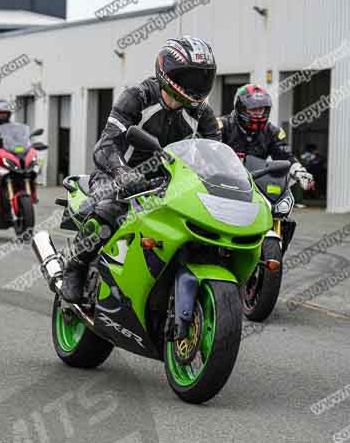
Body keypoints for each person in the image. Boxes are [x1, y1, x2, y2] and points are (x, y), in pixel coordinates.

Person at [61, 36, 222, 304]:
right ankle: (75, 266)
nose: (198, 86)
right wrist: (122, 172)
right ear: (167, 72)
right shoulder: (138, 97)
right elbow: (105, 144)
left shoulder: (202, 112)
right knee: (110, 208)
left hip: (172, 181)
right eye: (191, 78)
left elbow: (215, 152)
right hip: (120, 174)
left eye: (203, 78)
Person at [218, 84, 314, 191]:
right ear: (241, 108)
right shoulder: (222, 126)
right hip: (222, 181)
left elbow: (285, 156)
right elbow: (206, 152)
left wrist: (300, 172)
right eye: (253, 109)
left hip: (254, 184)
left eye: (261, 109)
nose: (258, 113)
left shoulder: (272, 132)